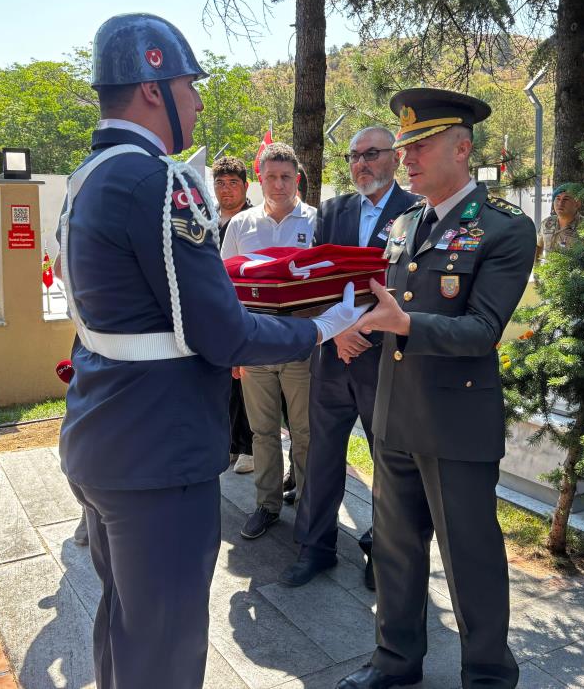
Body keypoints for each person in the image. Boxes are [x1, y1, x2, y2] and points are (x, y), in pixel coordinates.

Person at [58, 13, 366, 689]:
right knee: (164, 652)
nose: (197, 100)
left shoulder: (88, 177)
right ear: (152, 87)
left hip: (106, 438)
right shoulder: (158, 183)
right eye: (188, 85)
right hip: (158, 455)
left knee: (126, 627)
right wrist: (322, 325)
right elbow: (224, 334)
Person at [336, 89, 536, 689]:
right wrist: (350, 325)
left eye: (420, 146)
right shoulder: (403, 224)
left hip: (455, 424)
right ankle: (394, 661)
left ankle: (488, 674)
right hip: (395, 411)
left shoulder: (503, 228)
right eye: (405, 147)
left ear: (462, 149)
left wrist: (403, 324)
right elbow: (382, 302)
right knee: (395, 550)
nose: (407, 157)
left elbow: (482, 329)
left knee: (469, 557)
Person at [279, 126, 415, 590]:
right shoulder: (334, 211)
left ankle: (384, 552)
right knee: (321, 456)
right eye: (354, 156)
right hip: (334, 356)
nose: (361, 164)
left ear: (395, 159)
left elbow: (411, 290)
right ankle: (315, 548)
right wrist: (339, 332)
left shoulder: (416, 212)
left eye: (371, 154)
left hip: (386, 360)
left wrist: (361, 328)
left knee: (387, 462)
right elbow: (316, 282)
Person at [220, 142, 317, 540]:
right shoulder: (241, 225)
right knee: (262, 432)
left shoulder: (316, 221)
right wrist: (233, 348)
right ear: (259, 180)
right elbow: (225, 287)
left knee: (305, 431)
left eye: (286, 177)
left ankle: (310, 507)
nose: (279, 185)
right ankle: (267, 504)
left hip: (301, 345)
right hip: (255, 345)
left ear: (297, 179)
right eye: (271, 177)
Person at [213, 156, 256, 475]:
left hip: (245, 310)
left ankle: (249, 447)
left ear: (245, 185)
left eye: (233, 183)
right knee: (222, 381)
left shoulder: (253, 220)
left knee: (246, 382)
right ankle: (229, 442)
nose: (226, 189)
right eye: (220, 183)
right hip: (214, 310)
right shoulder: (206, 221)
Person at [536, 183, 583, 260]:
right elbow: (539, 246)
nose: (560, 203)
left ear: (577, 204)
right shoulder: (547, 223)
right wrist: (537, 266)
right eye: (558, 199)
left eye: (566, 199)